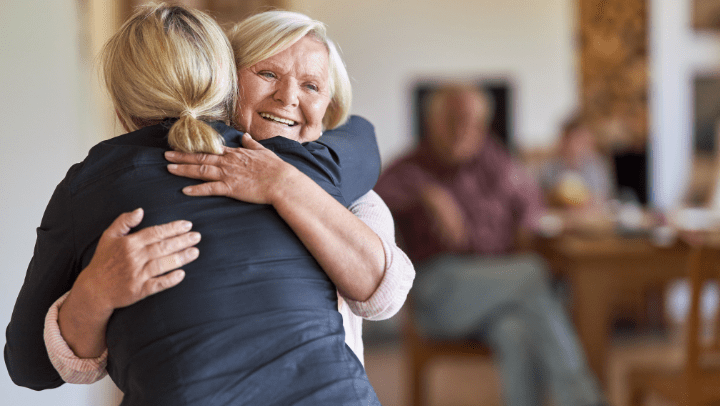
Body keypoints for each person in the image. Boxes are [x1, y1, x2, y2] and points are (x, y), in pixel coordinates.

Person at [6, 5, 414, 405]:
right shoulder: (320, 166)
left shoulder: (320, 175)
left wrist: (283, 184)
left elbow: (385, 296)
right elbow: (364, 137)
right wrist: (94, 293)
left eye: (311, 86)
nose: (288, 97)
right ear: (226, 83)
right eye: (267, 73)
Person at [375, 85, 605, 406]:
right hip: (438, 293)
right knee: (532, 273)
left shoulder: (496, 161)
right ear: (432, 122)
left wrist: (545, 219)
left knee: (515, 331)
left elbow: (532, 208)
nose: (462, 130)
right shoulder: (410, 166)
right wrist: (428, 193)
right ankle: (583, 400)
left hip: (498, 290)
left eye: (471, 121)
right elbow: (372, 198)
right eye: (451, 120)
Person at [541, 113, 615, 209]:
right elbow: (543, 199)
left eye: (583, 141)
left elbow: (603, 197)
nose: (578, 146)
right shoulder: (550, 168)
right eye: (575, 140)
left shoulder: (596, 166)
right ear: (565, 140)